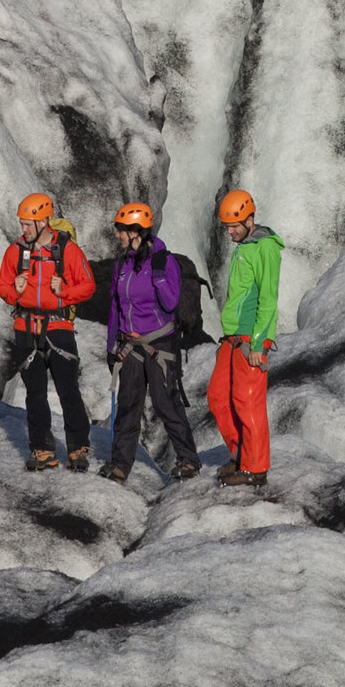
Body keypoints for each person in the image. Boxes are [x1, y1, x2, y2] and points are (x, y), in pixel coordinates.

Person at [96, 198, 208, 483]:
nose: (117, 235)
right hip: (131, 346)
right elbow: (116, 307)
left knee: (165, 403)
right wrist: (112, 345)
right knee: (128, 404)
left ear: (136, 231)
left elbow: (171, 303)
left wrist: (159, 276)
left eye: (121, 230)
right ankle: (120, 464)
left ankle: (188, 460)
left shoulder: (164, 261)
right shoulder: (123, 263)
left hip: (160, 345)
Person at [0, 192, 97, 471]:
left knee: (68, 390)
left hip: (58, 326)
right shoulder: (16, 251)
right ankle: (41, 449)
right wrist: (14, 293)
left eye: (28, 223)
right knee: (35, 393)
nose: (23, 229)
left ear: (44, 221)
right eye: (22, 223)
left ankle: (77, 448)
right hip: (26, 327)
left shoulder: (67, 250)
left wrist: (63, 294)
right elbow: (2, 286)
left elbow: (87, 285)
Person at [208, 186, 283, 488]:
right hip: (233, 337)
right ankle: (240, 453)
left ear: (250, 219)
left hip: (252, 338)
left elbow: (268, 298)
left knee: (247, 401)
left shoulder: (264, 247)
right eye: (227, 227)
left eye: (234, 226)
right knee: (217, 396)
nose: (230, 232)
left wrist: (258, 344)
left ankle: (255, 467)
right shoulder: (245, 247)